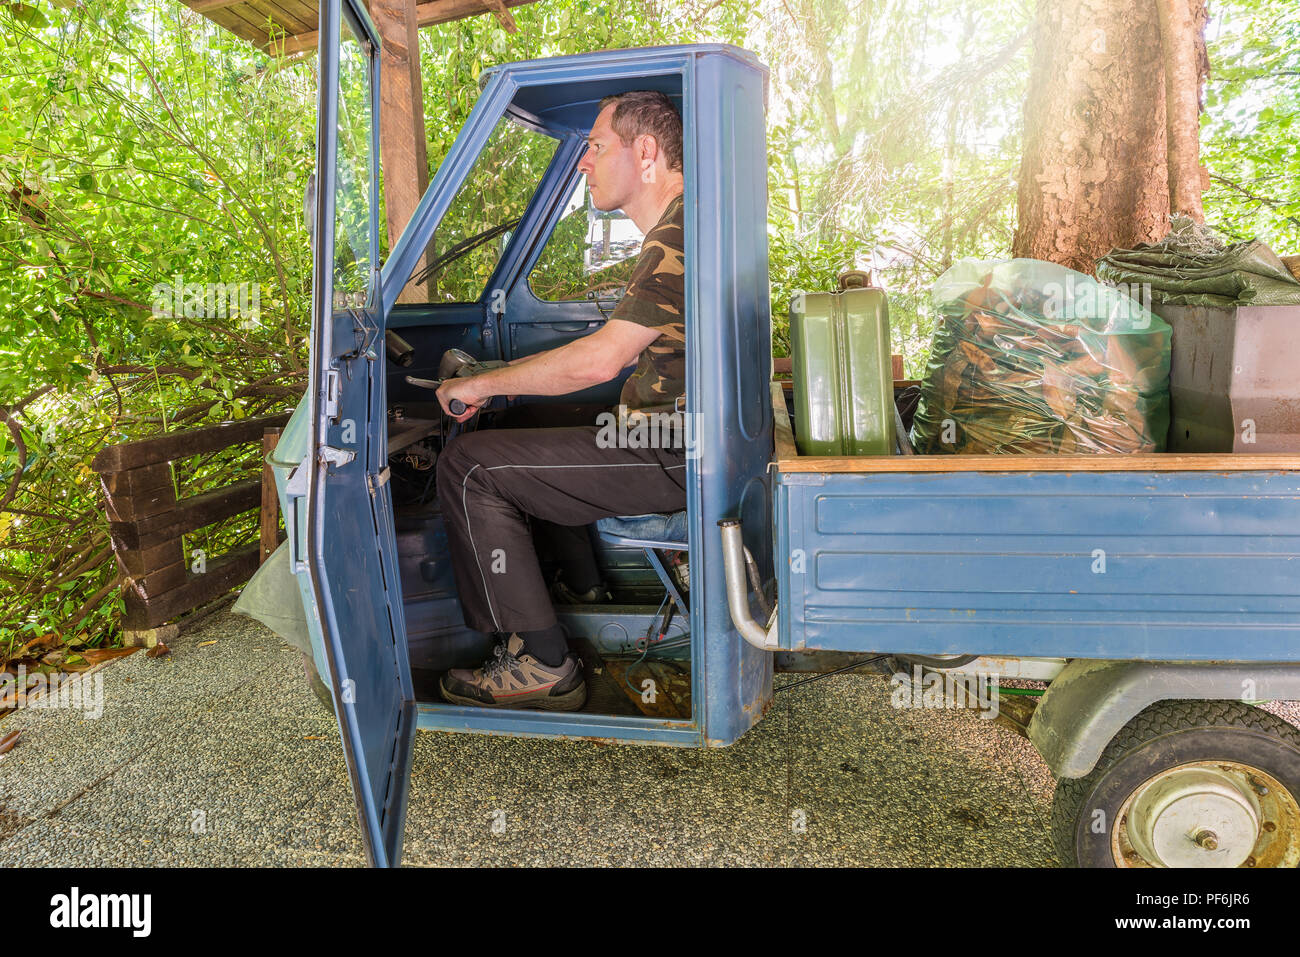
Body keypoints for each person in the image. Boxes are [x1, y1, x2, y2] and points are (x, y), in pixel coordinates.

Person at [433, 90, 687, 711]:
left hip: (673, 450)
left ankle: (544, 662)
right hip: (670, 435)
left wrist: (480, 382)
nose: (583, 162)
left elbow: (605, 358)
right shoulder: (685, 224)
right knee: (524, 421)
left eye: (596, 146)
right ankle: (585, 589)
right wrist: (506, 387)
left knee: (469, 470)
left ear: (645, 151)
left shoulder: (679, 235)